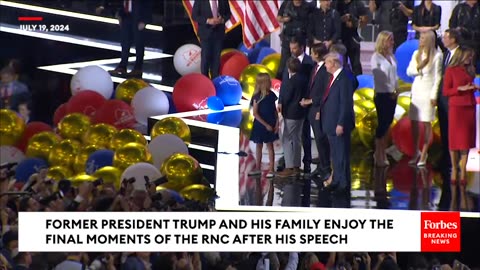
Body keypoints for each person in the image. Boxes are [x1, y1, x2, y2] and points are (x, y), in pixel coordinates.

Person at [442, 47, 478, 211]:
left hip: (469, 107)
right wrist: (459, 89)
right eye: (467, 56)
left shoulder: (470, 71)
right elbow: (446, 91)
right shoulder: (451, 70)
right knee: (455, 140)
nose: (469, 58)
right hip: (456, 108)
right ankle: (454, 170)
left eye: (471, 56)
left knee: (466, 141)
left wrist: (474, 89)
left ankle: (462, 171)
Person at [321, 53, 355, 207]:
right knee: (335, 153)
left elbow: (345, 104)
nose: (325, 65)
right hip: (331, 122)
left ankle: (342, 183)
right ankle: (336, 180)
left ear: (334, 63)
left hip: (338, 124)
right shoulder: (334, 77)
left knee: (341, 154)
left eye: (327, 62)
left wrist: (341, 123)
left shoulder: (345, 78)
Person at [406, 30, 443, 167]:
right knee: (414, 123)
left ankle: (424, 153)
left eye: (422, 38)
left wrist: (434, 96)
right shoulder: (417, 54)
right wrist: (419, 67)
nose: (420, 40)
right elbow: (409, 71)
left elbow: (437, 78)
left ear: (428, 40)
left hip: (427, 93)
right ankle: (416, 151)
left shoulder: (437, 56)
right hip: (417, 92)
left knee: (426, 124)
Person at [280, 37, 315, 174]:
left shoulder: (309, 63)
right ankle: (294, 165)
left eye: (295, 48)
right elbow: (283, 84)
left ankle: (297, 165)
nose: (292, 51)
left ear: (302, 47)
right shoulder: (288, 61)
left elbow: (310, 85)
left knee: (294, 137)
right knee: (295, 138)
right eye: (291, 48)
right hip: (296, 108)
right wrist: (280, 101)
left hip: (297, 109)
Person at [298, 43, 331, 180]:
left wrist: (310, 101)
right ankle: (321, 167)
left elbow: (325, 91)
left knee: (321, 140)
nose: (310, 55)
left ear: (317, 54)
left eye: (312, 53)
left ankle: (325, 169)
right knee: (318, 141)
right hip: (311, 109)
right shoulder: (315, 68)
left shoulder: (325, 70)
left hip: (318, 109)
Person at [100, 0, 153, 77]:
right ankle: (122, 66)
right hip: (125, 17)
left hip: (138, 18)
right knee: (125, 43)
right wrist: (119, 15)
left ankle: (138, 68)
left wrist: (144, 21)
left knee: (139, 43)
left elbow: (147, 4)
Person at [277, 57, 308, 178]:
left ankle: (289, 167)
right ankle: (296, 166)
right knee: (296, 139)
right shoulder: (304, 79)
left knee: (287, 138)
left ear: (289, 68)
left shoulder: (291, 81)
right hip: (301, 113)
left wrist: (281, 104)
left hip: (291, 113)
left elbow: (288, 96)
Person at [371, 31, 398, 167]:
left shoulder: (391, 56)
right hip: (382, 94)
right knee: (382, 125)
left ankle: (382, 152)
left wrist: (396, 89)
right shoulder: (376, 57)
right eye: (390, 40)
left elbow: (394, 75)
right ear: (383, 41)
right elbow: (379, 77)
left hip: (393, 95)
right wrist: (390, 90)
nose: (392, 42)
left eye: (392, 40)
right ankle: (379, 153)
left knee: (388, 124)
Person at [437, 29, 461, 174]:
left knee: (454, 130)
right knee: (444, 129)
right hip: (442, 98)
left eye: (446, 37)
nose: (443, 40)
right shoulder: (445, 54)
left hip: (454, 98)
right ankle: (446, 159)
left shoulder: (462, 54)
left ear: (453, 39)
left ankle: (456, 160)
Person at [249, 73, 279, 178]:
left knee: (270, 146)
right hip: (260, 124)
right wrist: (266, 125)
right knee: (259, 145)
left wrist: (277, 123)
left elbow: (275, 111)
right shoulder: (257, 97)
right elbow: (255, 113)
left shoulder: (271, 95)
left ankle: (271, 168)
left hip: (270, 122)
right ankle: (258, 168)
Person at [192, 0, 231, 79]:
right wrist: (208, 21)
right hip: (205, 34)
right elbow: (194, 15)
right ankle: (205, 80)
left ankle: (215, 80)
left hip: (218, 34)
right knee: (205, 58)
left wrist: (222, 19)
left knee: (216, 59)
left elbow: (228, 14)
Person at [277, 0, 314, 79]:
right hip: (287, 37)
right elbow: (279, 17)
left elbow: (311, 21)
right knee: (284, 60)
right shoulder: (286, 4)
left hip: (301, 37)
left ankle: (300, 77)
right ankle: (281, 80)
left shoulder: (308, 6)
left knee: (300, 59)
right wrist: (284, 19)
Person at [333, 0, 369, 76]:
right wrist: (341, 20)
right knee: (340, 63)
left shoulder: (358, 3)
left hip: (353, 38)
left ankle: (359, 84)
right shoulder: (336, 3)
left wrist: (354, 23)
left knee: (356, 64)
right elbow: (331, 20)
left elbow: (364, 21)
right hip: (339, 38)